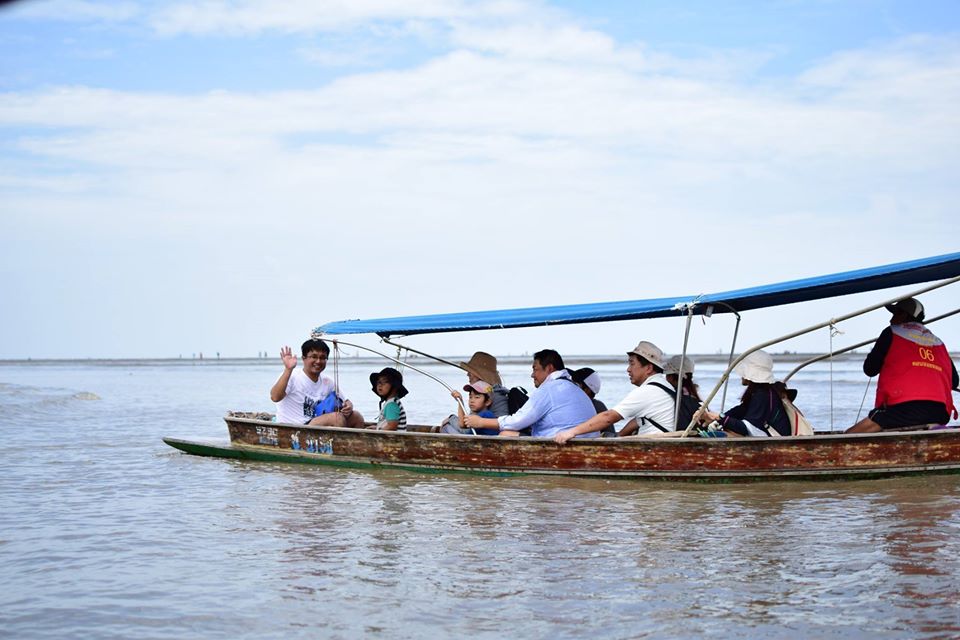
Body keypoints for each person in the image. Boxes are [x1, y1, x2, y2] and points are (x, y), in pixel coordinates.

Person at [847, 298, 958, 433]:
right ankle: (934, 426)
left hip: (902, 410)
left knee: (848, 436)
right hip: (939, 412)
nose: (891, 320)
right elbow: (954, 382)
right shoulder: (938, 342)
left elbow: (869, 369)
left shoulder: (892, 332)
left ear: (904, 315)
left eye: (895, 314)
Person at [554, 341, 675, 443]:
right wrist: (620, 434)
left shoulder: (648, 391)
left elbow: (608, 417)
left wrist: (571, 432)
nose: (628, 369)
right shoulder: (665, 386)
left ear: (648, 368)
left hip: (653, 451)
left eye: (632, 363)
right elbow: (638, 421)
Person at [463, 349, 597, 438]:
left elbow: (517, 421)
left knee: (506, 434)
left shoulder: (550, 388)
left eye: (535, 369)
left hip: (563, 442)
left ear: (549, 368)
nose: (532, 375)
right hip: (584, 439)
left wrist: (481, 422)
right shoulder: (573, 386)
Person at [270, 339, 364, 427]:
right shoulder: (292, 375)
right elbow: (275, 397)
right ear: (304, 358)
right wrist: (288, 369)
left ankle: (356, 444)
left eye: (323, 358)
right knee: (336, 418)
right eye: (314, 357)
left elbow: (346, 401)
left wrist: (349, 406)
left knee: (356, 416)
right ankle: (341, 444)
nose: (318, 361)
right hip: (296, 426)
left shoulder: (327, 381)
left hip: (315, 423)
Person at [701, 350, 791, 437]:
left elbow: (747, 428)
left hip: (775, 442)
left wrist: (718, 418)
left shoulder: (762, 395)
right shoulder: (760, 392)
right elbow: (740, 410)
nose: (741, 376)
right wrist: (717, 419)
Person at [459, 351, 510, 416]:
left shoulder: (497, 396)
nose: (467, 374)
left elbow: (503, 422)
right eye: (470, 397)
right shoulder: (480, 391)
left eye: (470, 372)